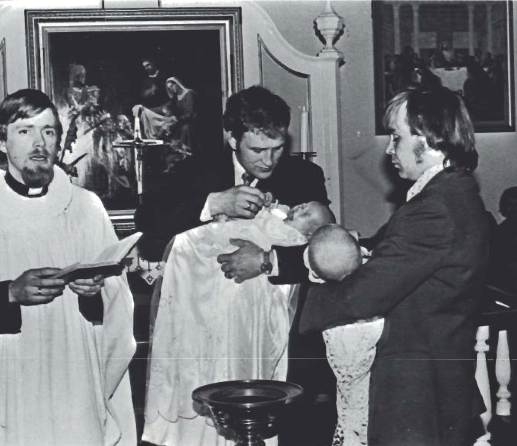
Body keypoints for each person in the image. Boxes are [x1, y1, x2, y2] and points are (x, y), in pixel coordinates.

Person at [0, 89, 137, 446]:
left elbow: (117, 306)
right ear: (1, 142)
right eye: (25, 131)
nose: (40, 143)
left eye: (49, 131)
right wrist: (7, 294)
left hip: (73, 377)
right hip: (0, 382)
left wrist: (94, 292)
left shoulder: (86, 208)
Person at [135, 84, 332, 441]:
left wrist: (268, 260)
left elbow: (329, 251)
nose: (268, 160)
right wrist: (213, 203)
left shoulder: (304, 177)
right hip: (207, 332)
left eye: (277, 148)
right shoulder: (195, 170)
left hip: (281, 340)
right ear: (231, 137)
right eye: (257, 150)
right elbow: (147, 219)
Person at [299, 86, 491, 446]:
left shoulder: (434, 207)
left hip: (418, 393)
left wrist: (300, 303)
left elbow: (363, 296)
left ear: (429, 139)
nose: (389, 149)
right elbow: (388, 251)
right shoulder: (452, 193)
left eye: (396, 136)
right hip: (437, 381)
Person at [143, 201, 335, 446]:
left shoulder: (294, 237)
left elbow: (315, 253)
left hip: (253, 306)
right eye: (301, 206)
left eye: (305, 213)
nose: (297, 209)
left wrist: (268, 253)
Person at [306, 223, 384, 446]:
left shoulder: (325, 303)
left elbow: (318, 266)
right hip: (373, 389)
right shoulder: (370, 303)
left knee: (349, 418)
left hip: (347, 387)